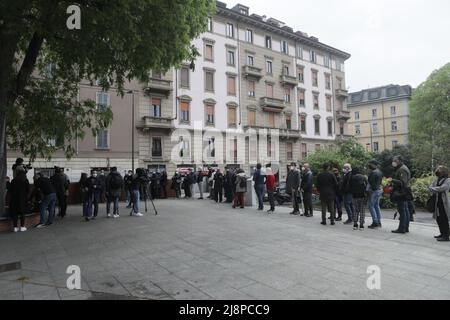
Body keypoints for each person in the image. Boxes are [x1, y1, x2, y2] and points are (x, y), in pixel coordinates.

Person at [391, 155, 412, 234]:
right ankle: (405, 227)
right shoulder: (402, 168)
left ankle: (402, 228)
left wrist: (392, 180)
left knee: (402, 210)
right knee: (405, 210)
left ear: (399, 161)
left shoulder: (402, 169)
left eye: (395, 160)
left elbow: (403, 182)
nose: (393, 162)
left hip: (402, 192)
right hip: (404, 191)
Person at [429, 166, 450, 242]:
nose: (437, 171)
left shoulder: (448, 180)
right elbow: (431, 186)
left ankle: (446, 236)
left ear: (444, 171)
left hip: (443, 202)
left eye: (439, 170)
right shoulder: (437, 179)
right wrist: (434, 188)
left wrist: (433, 189)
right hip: (437, 202)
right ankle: (442, 233)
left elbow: (443, 188)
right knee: (438, 219)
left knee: (444, 219)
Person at [367, 160, 383, 229]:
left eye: (370, 164)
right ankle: (378, 221)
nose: (369, 165)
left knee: (371, 206)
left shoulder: (373, 173)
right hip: (379, 190)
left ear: (374, 165)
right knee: (376, 206)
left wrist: (369, 191)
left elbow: (371, 183)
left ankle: (375, 222)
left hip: (374, 191)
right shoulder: (379, 172)